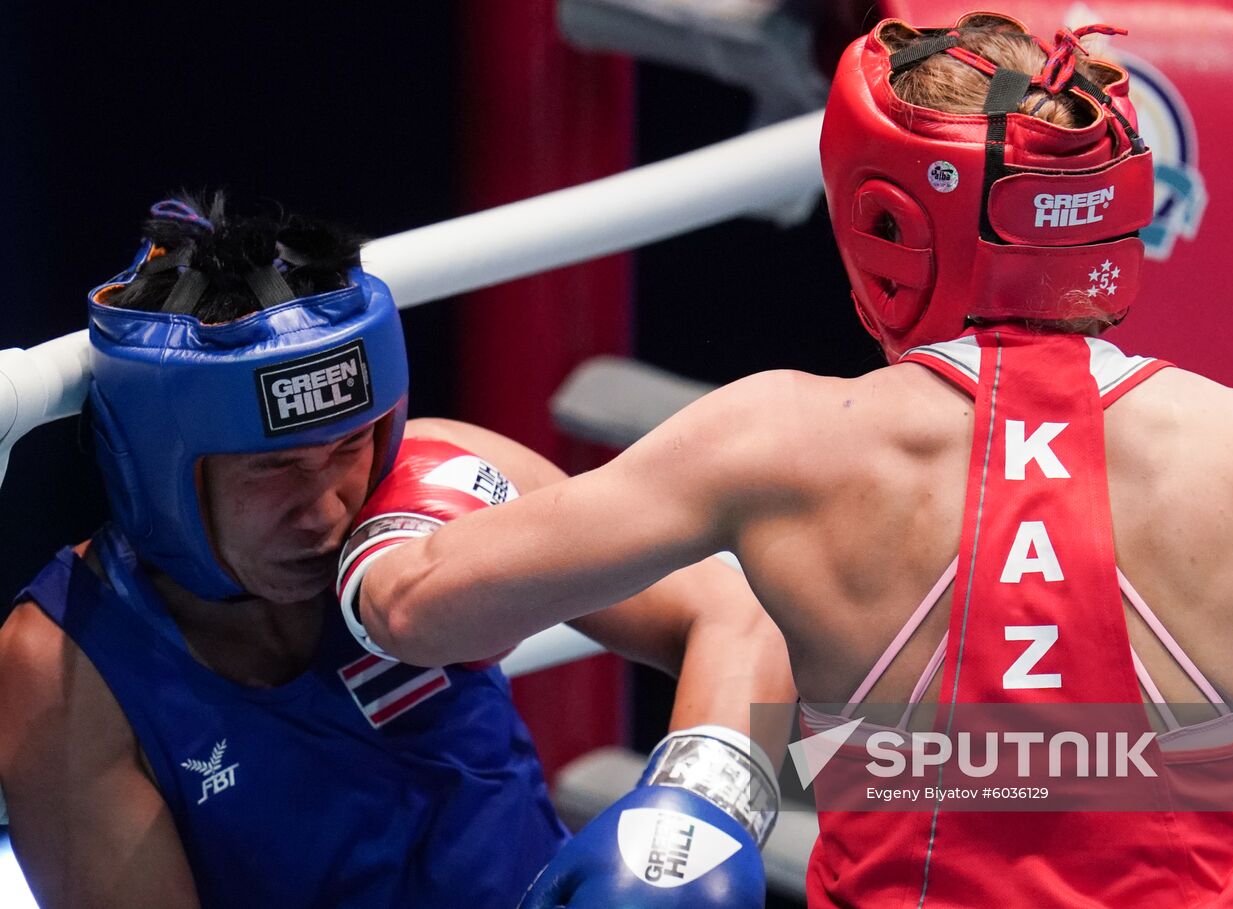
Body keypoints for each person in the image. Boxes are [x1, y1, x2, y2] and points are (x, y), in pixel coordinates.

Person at [344, 12, 1233, 907]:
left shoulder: (784, 440)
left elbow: (422, 612)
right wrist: (1213, 759)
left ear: (884, 223)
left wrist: (417, 476)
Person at [0, 194, 793, 908]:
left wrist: (695, 814)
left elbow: (736, 615)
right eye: (274, 468)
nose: (326, 507)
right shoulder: (67, 667)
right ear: (157, 464)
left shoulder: (443, 492)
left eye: (348, 446)